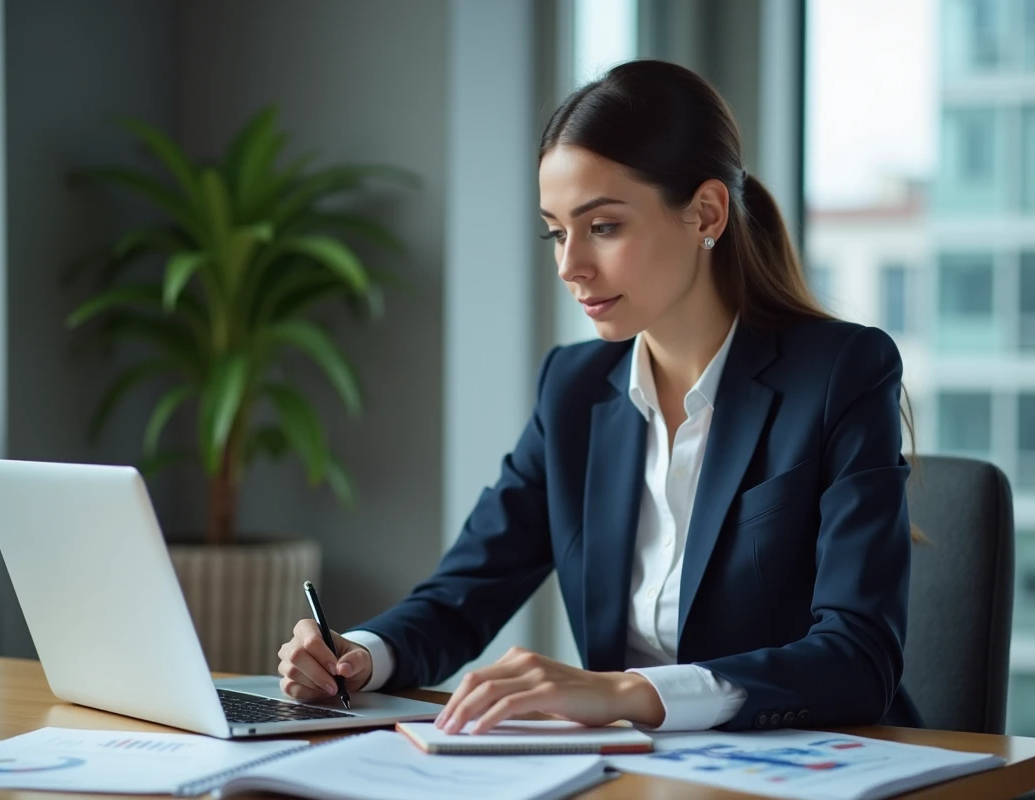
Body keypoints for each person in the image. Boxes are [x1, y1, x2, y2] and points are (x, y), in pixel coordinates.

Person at [276, 59, 923, 735]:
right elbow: (462, 596)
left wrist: (624, 693)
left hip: (820, 768)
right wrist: (357, 656)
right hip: (642, 775)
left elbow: (858, 660)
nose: (569, 265)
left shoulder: (840, 373)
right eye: (557, 231)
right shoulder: (574, 389)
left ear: (706, 212)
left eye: (603, 227)